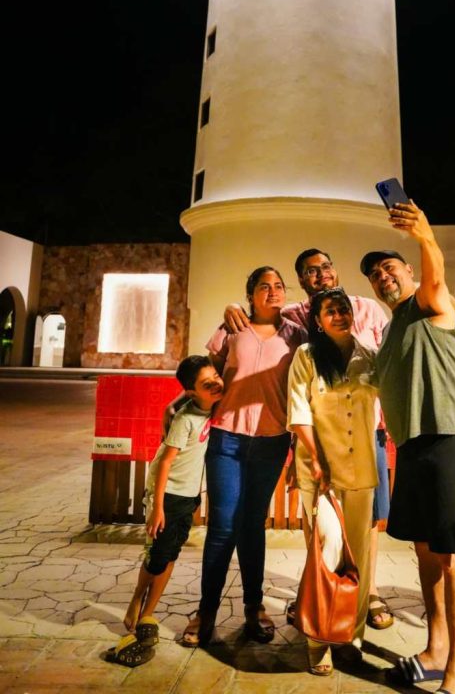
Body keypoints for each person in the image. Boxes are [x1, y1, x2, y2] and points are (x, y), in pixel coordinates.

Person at [221, 247, 394, 630]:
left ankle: (368, 589)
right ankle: (318, 588)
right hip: (319, 437)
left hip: (368, 433)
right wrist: (233, 305)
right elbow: (261, 318)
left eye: (326, 266)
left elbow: (389, 366)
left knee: (366, 519)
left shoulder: (367, 309)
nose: (320, 275)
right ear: (302, 281)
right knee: (320, 521)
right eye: (310, 271)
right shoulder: (297, 317)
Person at [360, 200, 455, 694]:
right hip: (411, 443)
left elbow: (435, 275)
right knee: (426, 551)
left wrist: (426, 236)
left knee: (452, 557)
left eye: (389, 267)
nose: (382, 276)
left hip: (449, 435)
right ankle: (434, 651)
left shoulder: (432, 304)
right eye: (373, 274)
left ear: (408, 271)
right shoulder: (391, 329)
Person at [181, 267, 307, 648]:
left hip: (272, 440)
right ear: (250, 294)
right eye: (264, 287)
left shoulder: (297, 336)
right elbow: (207, 376)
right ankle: (206, 611)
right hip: (227, 438)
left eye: (279, 286)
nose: (273, 292)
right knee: (222, 526)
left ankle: (254, 607)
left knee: (252, 524)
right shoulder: (230, 328)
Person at [287, 287, 380, 676]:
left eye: (343, 309)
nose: (339, 315)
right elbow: (298, 409)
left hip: (360, 471)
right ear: (319, 319)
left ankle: (350, 636)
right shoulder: (307, 356)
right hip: (319, 471)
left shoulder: (368, 358)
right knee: (326, 548)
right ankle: (317, 639)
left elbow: (388, 401)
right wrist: (317, 458)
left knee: (359, 557)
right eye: (330, 311)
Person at [109, 355, 223, 667]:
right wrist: (157, 507)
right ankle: (140, 602)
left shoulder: (213, 406)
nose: (215, 383)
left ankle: (146, 610)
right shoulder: (185, 418)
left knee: (169, 554)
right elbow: (165, 463)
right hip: (168, 495)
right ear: (192, 391)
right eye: (206, 383)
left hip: (187, 496)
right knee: (158, 556)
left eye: (216, 376)